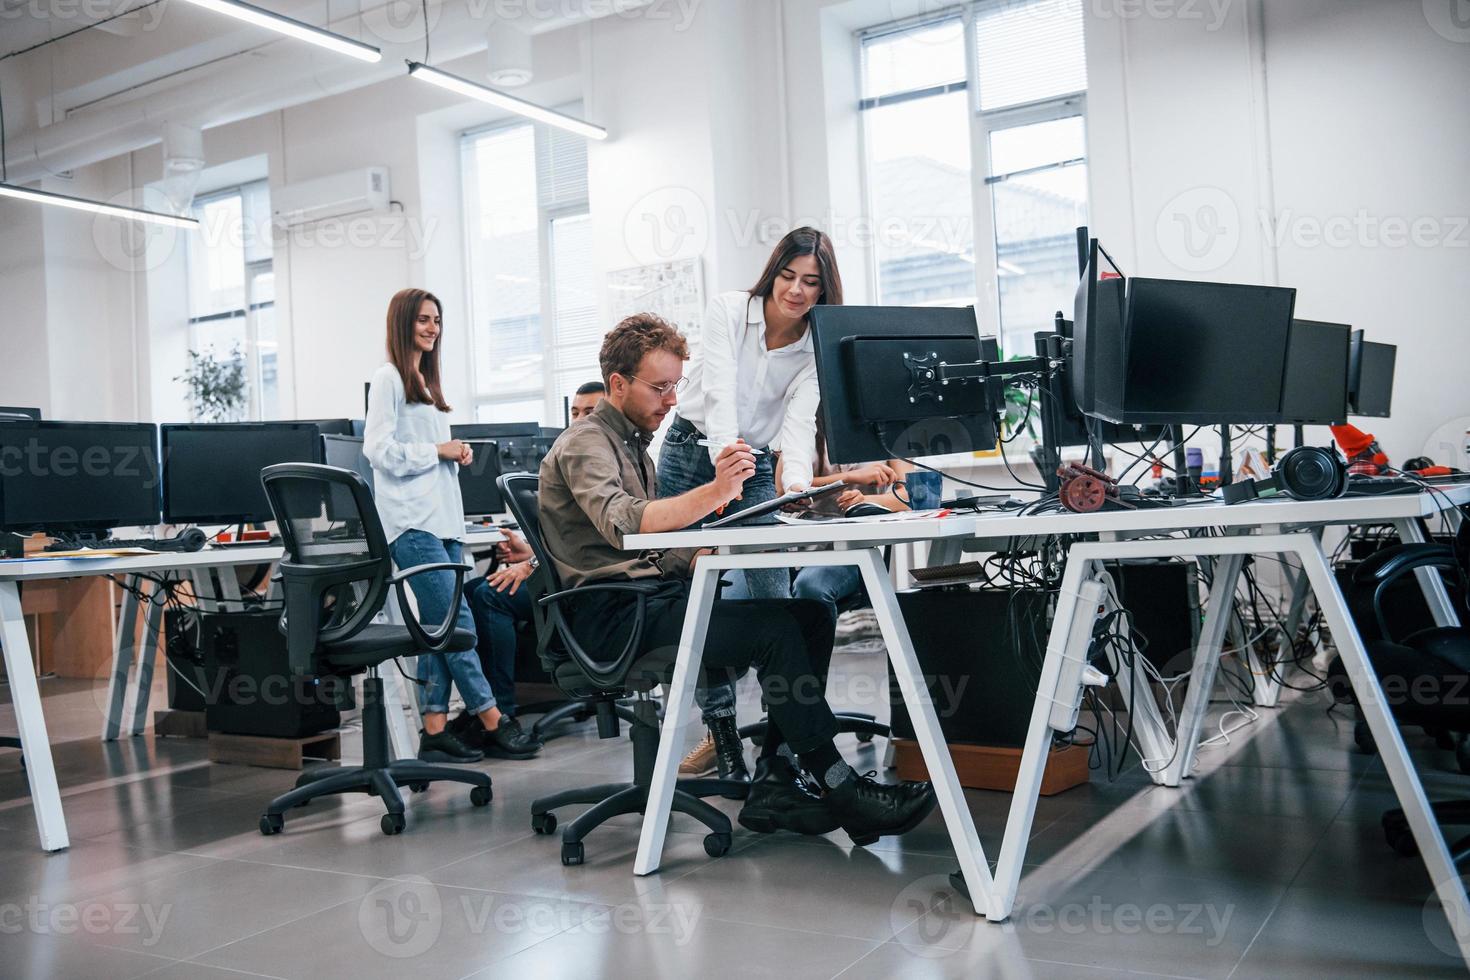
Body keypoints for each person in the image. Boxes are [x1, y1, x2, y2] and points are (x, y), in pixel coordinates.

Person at [538, 312, 936, 843]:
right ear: (618, 384)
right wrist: (718, 492)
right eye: (659, 388)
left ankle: (776, 777)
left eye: (675, 386)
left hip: (648, 600)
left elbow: (650, 548)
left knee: (810, 613)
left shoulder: (634, 444)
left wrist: (700, 550)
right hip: (612, 620)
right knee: (775, 631)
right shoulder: (585, 442)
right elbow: (624, 524)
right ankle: (843, 789)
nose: (672, 400)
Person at [660, 227, 843, 783]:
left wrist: (795, 486)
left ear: (823, 289)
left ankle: (780, 742)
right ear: (773, 273)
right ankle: (721, 734)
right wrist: (723, 468)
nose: (795, 290)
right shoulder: (729, 310)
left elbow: (798, 423)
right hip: (692, 454)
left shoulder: (817, 345)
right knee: (696, 595)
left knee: (775, 595)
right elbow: (717, 393)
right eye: (788, 276)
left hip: (758, 464)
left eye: (810, 282)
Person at [363, 287, 537, 764]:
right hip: (410, 523)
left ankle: (435, 729)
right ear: (402, 323)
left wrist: (452, 453)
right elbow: (377, 451)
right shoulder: (389, 378)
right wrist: (437, 451)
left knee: (439, 629)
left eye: (437, 320)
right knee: (458, 626)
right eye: (422, 320)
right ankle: (493, 720)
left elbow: (420, 453)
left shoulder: (425, 381)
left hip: (442, 521)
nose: (432, 328)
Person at [782, 416, 912, 626]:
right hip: (796, 543)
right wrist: (848, 479)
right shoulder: (802, 418)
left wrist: (867, 500)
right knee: (738, 588)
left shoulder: (887, 424)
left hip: (853, 547)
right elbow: (783, 489)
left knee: (811, 587)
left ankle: (808, 659)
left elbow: (909, 495)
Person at [458, 529, 545, 758]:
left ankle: (501, 716)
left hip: (582, 575)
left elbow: (580, 538)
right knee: (468, 591)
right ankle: (480, 710)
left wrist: (533, 563)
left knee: (490, 595)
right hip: (562, 566)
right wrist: (532, 554)